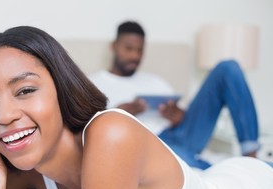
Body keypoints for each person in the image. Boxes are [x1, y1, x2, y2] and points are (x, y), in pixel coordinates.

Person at [0, 26, 273, 189]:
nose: (5, 115)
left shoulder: (110, 133)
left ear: (62, 89)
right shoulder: (18, 175)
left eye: (25, 90)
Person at [89, 21, 261, 170]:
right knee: (184, 162)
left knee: (228, 67)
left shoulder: (155, 81)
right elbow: (89, 131)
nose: (135, 55)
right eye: (128, 48)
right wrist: (118, 114)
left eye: (140, 50)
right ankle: (226, 172)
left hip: (181, 134)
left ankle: (252, 157)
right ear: (114, 46)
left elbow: (188, 120)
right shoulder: (95, 84)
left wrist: (178, 115)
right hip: (150, 144)